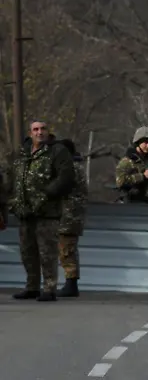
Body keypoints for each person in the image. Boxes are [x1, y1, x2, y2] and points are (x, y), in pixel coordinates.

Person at [10, 119, 76, 301]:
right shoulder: (23, 152)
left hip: (47, 212)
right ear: (30, 132)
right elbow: (12, 177)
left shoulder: (57, 151)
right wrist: (12, 202)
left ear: (48, 131)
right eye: (36, 129)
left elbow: (66, 177)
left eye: (43, 129)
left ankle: (49, 288)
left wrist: (46, 194)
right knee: (27, 252)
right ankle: (32, 286)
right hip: (24, 211)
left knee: (47, 252)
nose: (40, 132)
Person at [56, 138, 88, 297]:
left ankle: (71, 284)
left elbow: (59, 186)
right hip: (71, 214)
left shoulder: (71, 168)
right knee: (66, 248)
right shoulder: (75, 166)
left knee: (67, 249)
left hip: (69, 215)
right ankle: (70, 282)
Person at [115, 126, 148, 204]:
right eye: (146, 142)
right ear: (138, 142)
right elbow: (120, 182)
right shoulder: (127, 161)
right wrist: (142, 176)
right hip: (133, 203)